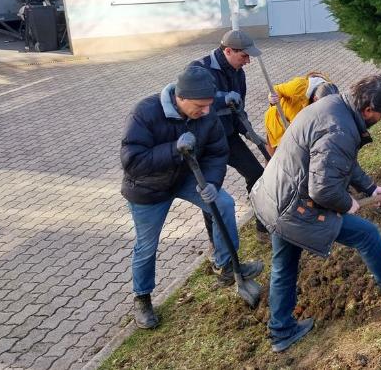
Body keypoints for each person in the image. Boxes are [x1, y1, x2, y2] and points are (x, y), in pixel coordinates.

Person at [250, 74, 381, 353]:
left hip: (274, 197)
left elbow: (342, 162)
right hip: (293, 207)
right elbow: (322, 190)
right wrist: (348, 204)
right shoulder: (340, 129)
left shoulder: (336, 106)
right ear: (369, 109)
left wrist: (371, 187)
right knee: (368, 235)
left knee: (284, 264)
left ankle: (281, 330)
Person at [120, 65, 264, 329]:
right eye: (200, 106)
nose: (206, 112)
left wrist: (211, 182)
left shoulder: (206, 115)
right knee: (147, 245)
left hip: (185, 177)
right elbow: (132, 161)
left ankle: (228, 265)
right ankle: (142, 298)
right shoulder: (146, 112)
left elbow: (217, 151)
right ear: (181, 99)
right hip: (148, 187)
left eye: (209, 105)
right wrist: (174, 149)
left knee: (223, 203)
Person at [189, 29, 271, 244]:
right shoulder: (199, 69)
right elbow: (189, 97)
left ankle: (263, 230)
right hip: (205, 141)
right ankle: (216, 246)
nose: (248, 62)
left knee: (257, 175)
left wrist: (251, 134)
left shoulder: (238, 72)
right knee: (210, 192)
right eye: (244, 56)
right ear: (228, 51)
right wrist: (222, 98)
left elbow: (238, 109)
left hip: (229, 136)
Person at [263, 71, 339, 155]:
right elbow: (277, 89)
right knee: (273, 157)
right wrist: (272, 97)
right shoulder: (299, 86)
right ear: (315, 98)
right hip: (278, 122)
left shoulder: (330, 92)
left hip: (296, 128)